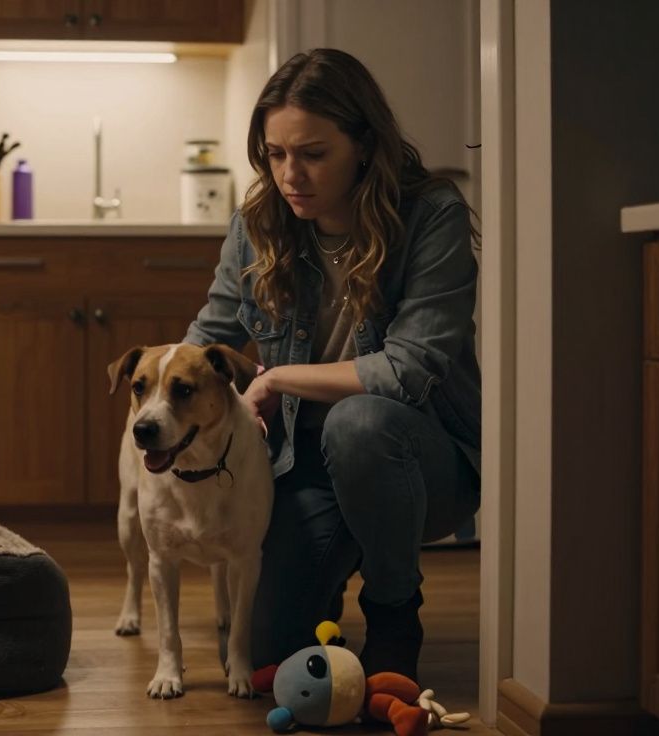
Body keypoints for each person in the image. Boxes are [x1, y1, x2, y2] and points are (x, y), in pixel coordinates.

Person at [184, 48, 481, 682]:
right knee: (263, 658)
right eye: (275, 153)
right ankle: (324, 602)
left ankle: (394, 610)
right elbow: (204, 340)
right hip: (301, 466)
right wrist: (158, 411)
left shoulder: (432, 215)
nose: (290, 174)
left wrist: (274, 377)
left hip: (419, 463)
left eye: (313, 154)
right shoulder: (257, 224)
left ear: (366, 145)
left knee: (359, 424)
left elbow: (406, 371)